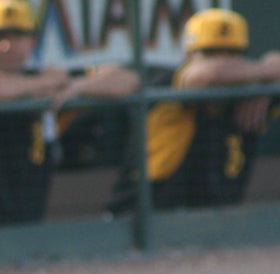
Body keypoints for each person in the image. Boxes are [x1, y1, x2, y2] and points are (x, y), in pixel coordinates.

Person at [0, 0, 137, 231]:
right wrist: (46, 84)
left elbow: (127, 80)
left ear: (33, 40)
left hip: (24, 226)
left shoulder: (50, 82)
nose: (9, 45)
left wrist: (77, 87)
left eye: (18, 35)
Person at [108, 8, 280, 215]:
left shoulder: (250, 95)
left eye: (232, 54)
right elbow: (205, 75)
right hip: (140, 220)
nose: (222, 61)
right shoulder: (170, 82)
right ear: (187, 56)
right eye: (210, 53)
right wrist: (264, 77)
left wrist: (268, 86)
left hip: (214, 227)